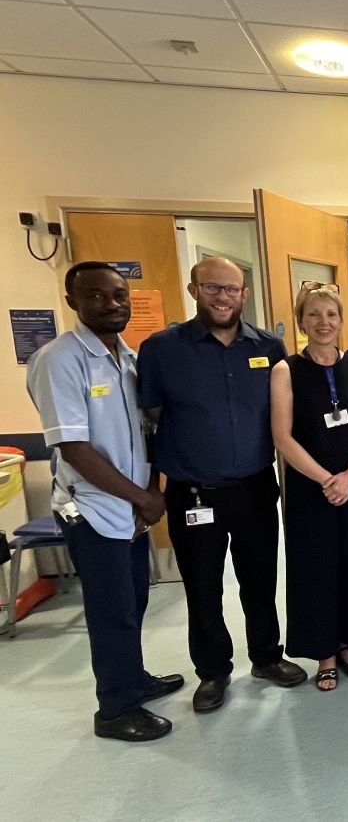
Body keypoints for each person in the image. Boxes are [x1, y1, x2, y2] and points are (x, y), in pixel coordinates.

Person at [137, 257, 306, 714]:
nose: (223, 296)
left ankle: (268, 658)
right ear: (194, 290)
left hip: (254, 488)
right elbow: (151, 419)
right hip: (194, 492)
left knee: (259, 581)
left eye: (232, 289)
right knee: (203, 587)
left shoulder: (270, 347)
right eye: (212, 287)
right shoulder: (162, 349)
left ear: (244, 294)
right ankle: (213, 672)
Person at [26, 262, 183, 741]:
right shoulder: (59, 360)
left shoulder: (129, 359)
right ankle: (115, 709)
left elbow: (145, 432)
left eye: (119, 295)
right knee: (110, 609)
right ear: (73, 300)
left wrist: (150, 494)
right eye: (97, 296)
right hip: (94, 509)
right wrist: (144, 497)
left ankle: (132, 679)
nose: (112, 304)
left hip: (132, 507)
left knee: (133, 599)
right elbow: (73, 447)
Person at [270, 284, 348, 691]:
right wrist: (326, 479)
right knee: (317, 569)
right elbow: (283, 438)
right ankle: (324, 653)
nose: (323, 323)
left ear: (341, 320)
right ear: (301, 321)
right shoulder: (286, 370)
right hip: (310, 489)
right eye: (314, 315)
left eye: (331, 315)